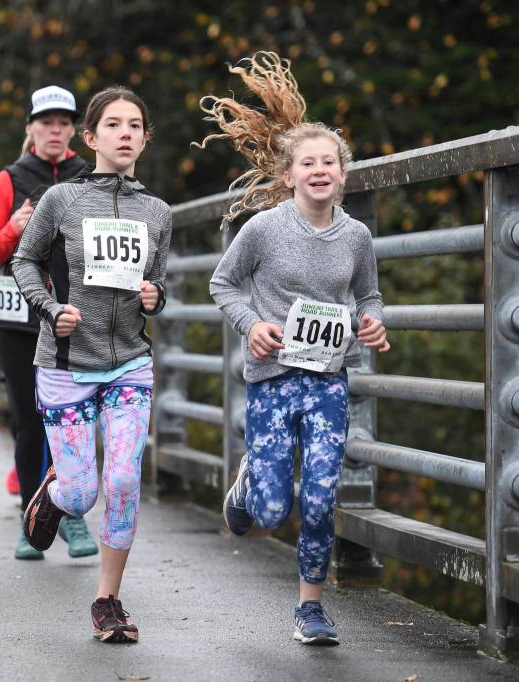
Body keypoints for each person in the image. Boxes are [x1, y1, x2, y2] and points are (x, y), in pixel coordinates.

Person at [201, 52, 390, 646]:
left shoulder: (356, 236)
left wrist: (372, 324)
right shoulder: (263, 229)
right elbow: (222, 283)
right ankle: (249, 480)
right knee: (269, 511)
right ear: (288, 175)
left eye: (328, 162)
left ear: (343, 173)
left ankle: (310, 606)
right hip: (271, 377)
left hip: (329, 379)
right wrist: (250, 325)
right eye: (307, 162)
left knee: (319, 496)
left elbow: (371, 295)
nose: (318, 170)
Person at [15, 86, 171, 643]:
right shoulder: (60, 200)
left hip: (129, 362)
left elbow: (157, 282)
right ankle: (56, 492)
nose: (125, 133)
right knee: (82, 494)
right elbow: (24, 260)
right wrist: (50, 308)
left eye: (135, 125)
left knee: (124, 477)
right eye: (113, 125)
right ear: (91, 136)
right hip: (64, 362)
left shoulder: (157, 212)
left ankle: (107, 600)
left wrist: (157, 295)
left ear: (146, 139)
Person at [0, 85, 97, 561]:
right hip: (20, 320)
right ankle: (31, 521)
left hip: (75, 318)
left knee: (72, 420)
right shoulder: (9, 179)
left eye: (63, 123)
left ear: (74, 131)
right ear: (30, 128)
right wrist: (15, 227)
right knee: (29, 421)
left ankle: (74, 516)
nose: (54, 130)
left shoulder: (87, 176)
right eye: (46, 122)